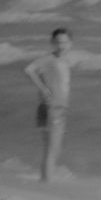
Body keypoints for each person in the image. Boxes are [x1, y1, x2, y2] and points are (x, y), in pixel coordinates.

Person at [24, 27, 73, 182]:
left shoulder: (63, 60)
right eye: (58, 42)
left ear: (71, 43)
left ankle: (45, 180)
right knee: (52, 150)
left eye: (64, 42)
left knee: (52, 150)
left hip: (56, 107)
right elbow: (29, 70)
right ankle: (47, 182)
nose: (61, 46)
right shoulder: (50, 59)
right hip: (52, 108)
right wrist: (43, 89)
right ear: (52, 42)